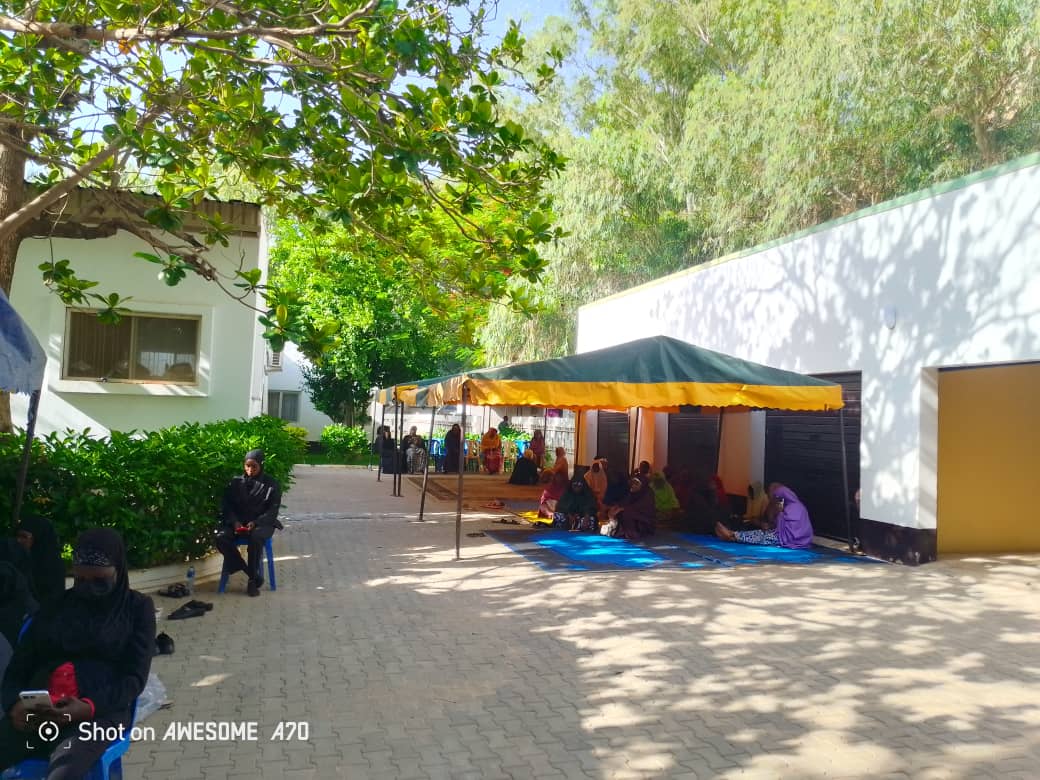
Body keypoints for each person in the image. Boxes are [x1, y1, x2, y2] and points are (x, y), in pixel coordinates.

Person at [0, 528, 155, 778]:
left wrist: (87, 707)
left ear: (119, 571)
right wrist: (13, 705)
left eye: (100, 581)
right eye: (81, 580)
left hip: (100, 715)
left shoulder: (136, 609)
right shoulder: (55, 607)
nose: (88, 588)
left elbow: (133, 679)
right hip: (40, 714)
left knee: (64, 772)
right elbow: (17, 669)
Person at [215, 449, 283, 597]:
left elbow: (273, 510)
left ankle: (252, 581)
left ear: (261, 465)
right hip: (237, 523)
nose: (250, 470)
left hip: (262, 524)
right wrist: (234, 522)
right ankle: (250, 572)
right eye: (247, 466)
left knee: (256, 538)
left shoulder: (272, 485)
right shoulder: (235, 482)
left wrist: (256, 522)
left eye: (254, 467)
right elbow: (226, 506)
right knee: (220, 537)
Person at [715, 483, 814, 549]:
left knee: (762, 536)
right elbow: (779, 525)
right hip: (786, 537)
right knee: (760, 534)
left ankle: (731, 535)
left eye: (777, 497)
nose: (775, 499)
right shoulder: (794, 506)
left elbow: (787, 530)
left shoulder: (793, 508)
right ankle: (732, 535)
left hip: (791, 540)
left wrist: (779, 512)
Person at [14, 516, 65, 606]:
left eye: (24, 537)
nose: (19, 541)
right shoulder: (17, 559)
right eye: (18, 536)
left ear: (38, 537)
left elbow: (53, 598)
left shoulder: (52, 565)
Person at [613, 476, 656, 541]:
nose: (633, 485)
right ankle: (623, 531)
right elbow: (625, 501)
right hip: (636, 513)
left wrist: (623, 508)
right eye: (633, 483)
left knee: (628, 513)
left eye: (636, 484)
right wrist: (616, 507)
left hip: (646, 518)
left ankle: (632, 533)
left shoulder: (648, 493)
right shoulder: (633, 492)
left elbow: (640, 506)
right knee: (620, 512)